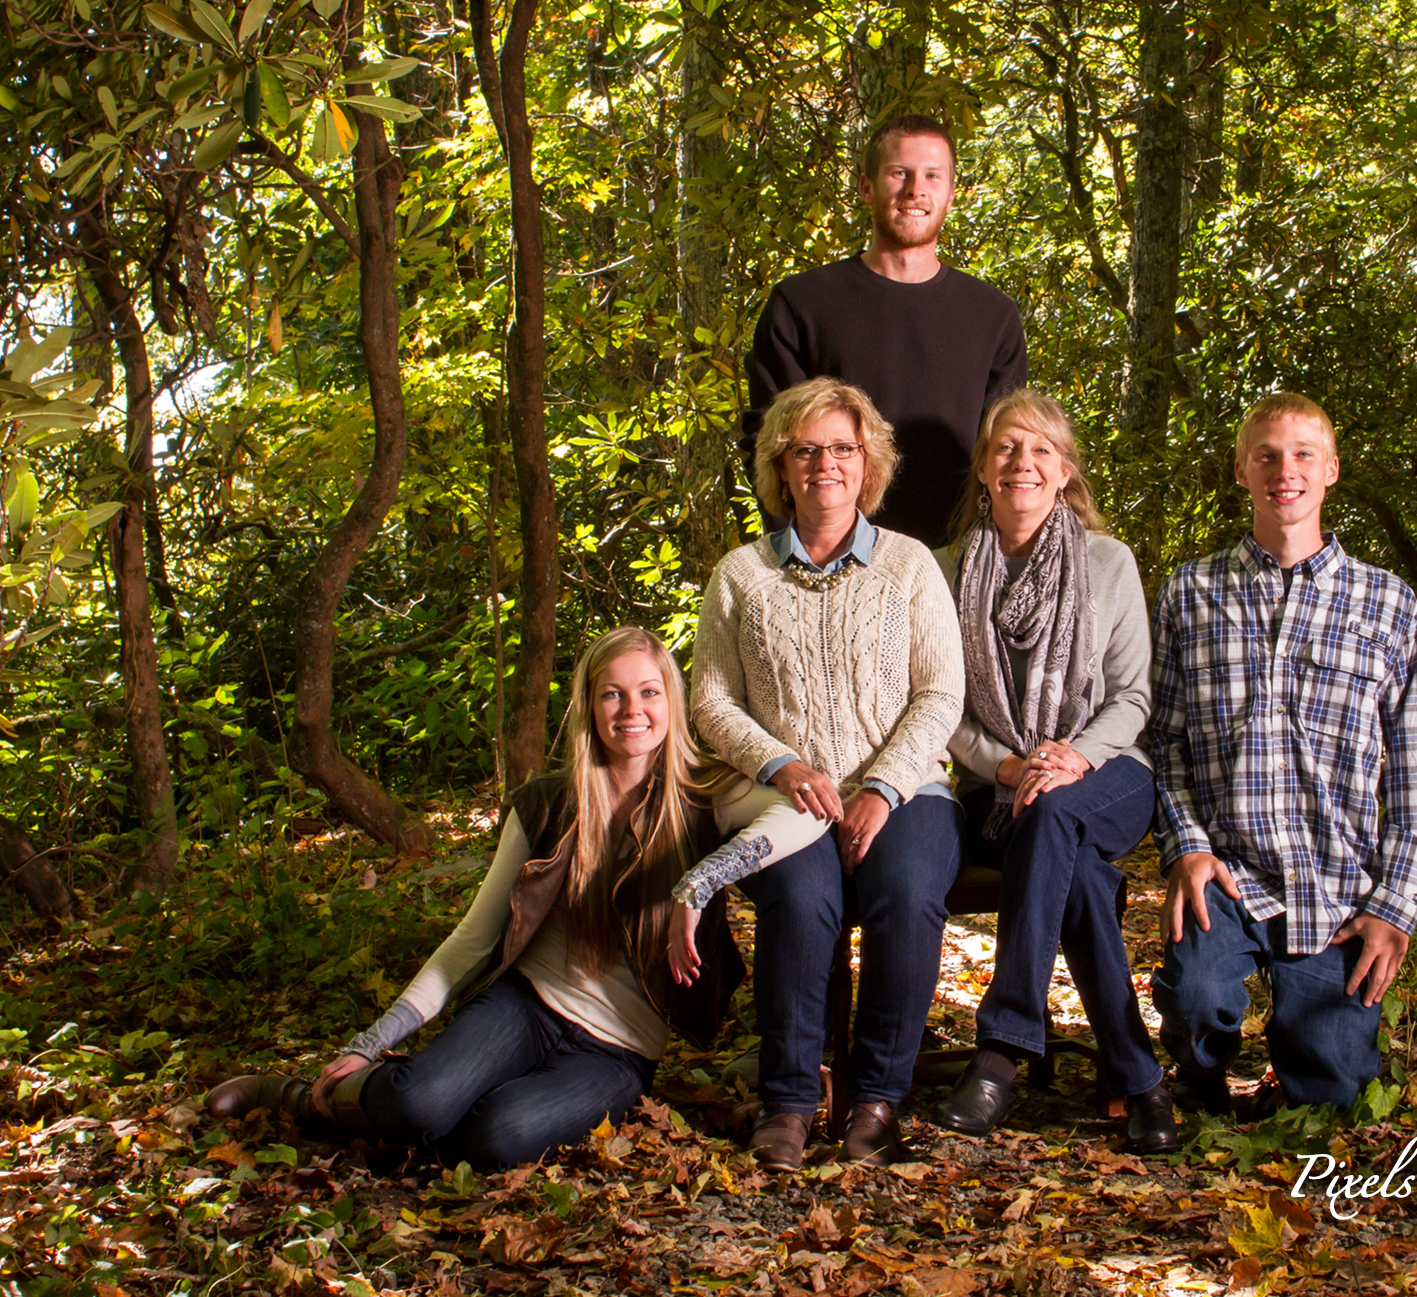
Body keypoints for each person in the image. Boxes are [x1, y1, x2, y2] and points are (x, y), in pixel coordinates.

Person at [204, 628, 744, 1169]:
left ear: (673, 699)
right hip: (526, 1004)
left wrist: (701, 881)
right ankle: (300, 1098)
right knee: (418, 1102)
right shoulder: (545, 805)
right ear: (589, 703)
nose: (632, 709)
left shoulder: (707, 802)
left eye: (649, 691)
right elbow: (472, 938)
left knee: (495, 1140)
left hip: (618, 1052)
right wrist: (369, 1043)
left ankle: (416, 1121)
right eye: (612, 693)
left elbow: (794, 811)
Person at [684, 377, 965, 1171]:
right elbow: (709, 701)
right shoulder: (740, 575)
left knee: (906, 895)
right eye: (806, 450)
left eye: (842, 448)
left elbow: (942, 691)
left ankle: (877, 1097)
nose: (825, 464)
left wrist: (882, 787)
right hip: (784, 796)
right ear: (781, 466)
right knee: (803, 897)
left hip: (906, 791)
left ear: (868, 461)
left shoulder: (909, 566)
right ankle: (791, 1099)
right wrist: (782, 763)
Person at [1146, 393, 1417, 1113]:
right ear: (1242, 471)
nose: (1287, 470)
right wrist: (1186, 847)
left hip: (1339, 886)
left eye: (1304, 454)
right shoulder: (1191, 592)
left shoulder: (1387, 604)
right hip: (1229, 876)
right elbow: (1163, 740)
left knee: (1333, 1091)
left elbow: (1416, 778)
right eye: (1267, 455)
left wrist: (1394, 909)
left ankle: (1306, 1062)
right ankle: (1202, 1075)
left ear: (1332, 469)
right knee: (1194, 1001)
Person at [921, 391, 1179, 1153]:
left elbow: (1134, 694)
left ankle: (1000, 1052)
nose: (1021, 462)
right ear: (984, 468)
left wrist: (1076, 757)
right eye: (1005, 448)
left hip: (1110, 774)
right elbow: (942, 704)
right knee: (1080, 875)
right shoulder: (942, 573)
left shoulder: (1109, 563)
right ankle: (1139, 1076)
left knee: (1057, 810)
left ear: (1064, 471)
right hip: (999, 787)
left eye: (1039, 450)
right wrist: (1004, 763)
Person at [743, 113, 1026, 546]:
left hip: (958, 561)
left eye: (932, 175)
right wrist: (797, 553)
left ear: (950, 193)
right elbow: (768, 441)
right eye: (900, 173)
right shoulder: (801, 304)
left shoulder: (993, 315)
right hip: (832, 556)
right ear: (866, 187)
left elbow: (1007, 451)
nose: (916, 189)